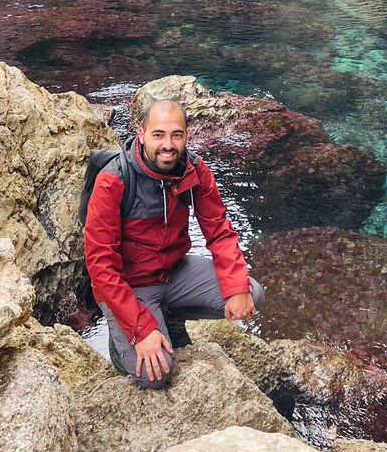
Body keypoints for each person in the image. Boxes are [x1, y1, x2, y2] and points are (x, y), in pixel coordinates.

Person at [84, 96, 264, 389]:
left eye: (176, 135)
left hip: (173, 271)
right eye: (158, 135)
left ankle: (170, 314)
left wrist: (235, 286)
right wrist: (141, 330)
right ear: (141, 134)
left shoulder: (193, 170)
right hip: (130, 285)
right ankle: (120, 350)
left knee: (251, 294)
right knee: (155, 375)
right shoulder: (113, 180)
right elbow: (100, 264)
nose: (168, 145)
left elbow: (219, 230)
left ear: (186, 136)